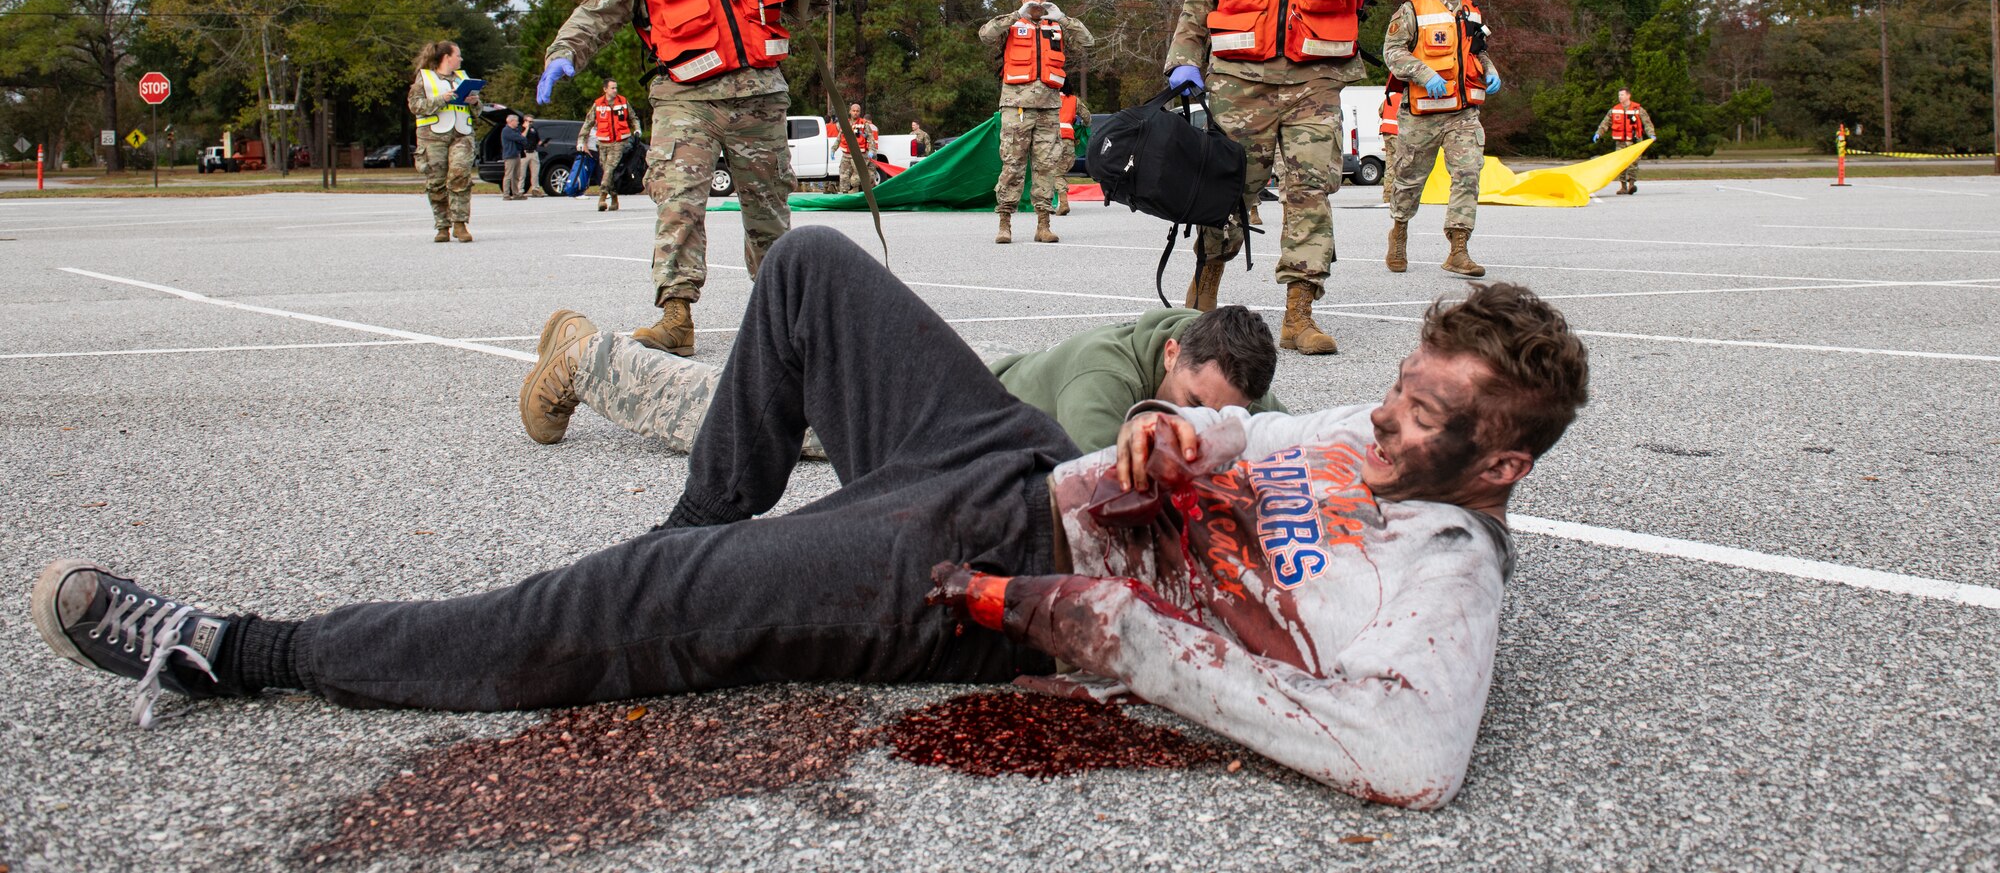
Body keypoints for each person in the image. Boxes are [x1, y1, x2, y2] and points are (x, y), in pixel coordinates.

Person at [32, 227, 1588, 811]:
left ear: (1497, 467)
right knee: (815, 267)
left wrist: (1109, 629)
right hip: (1023, 464)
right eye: (1395, 394)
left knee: (610, 618)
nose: (1380, 426)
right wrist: (1188, 427)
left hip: (1002, 574)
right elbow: (1272, 427)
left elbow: (1405, 761)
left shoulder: (1445, 570)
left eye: (1422, 423)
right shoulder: (1367, 435)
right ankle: (688, 551)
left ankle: (239, 650)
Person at [535, 0, 824, 354]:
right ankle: (676, 317)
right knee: (680, 205)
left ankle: (785, 321)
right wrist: (563, 55)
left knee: (770, 211)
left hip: (759, 98)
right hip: (686, 101)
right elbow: (595, 14)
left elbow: (795, 2)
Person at [1164, 0, 1398, 356]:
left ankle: (1299, 316)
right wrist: (1183, 60)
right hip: (1238, 83)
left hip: (1314, 83)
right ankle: (1202, 301)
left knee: (1309, 193)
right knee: (1225, 192)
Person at [519, 299, 1283, 453]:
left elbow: (1281, 432)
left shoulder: (1219, 363)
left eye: (1218, 416)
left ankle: (584, 339)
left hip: (956, 401)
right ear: (1175, 355)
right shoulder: (1105, 373)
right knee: (751, 419)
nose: (1198, 426)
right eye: (1189, 406)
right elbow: (1096, 479)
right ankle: (591, 364)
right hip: (924, 411)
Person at [1382, 0, 1501, 277]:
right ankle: (1399, 230)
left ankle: (1458, 249)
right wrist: (1424, 73)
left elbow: (1477, 51)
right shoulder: (1413, 8)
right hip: (1422, 112)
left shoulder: (1472, 11)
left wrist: (1490, 70)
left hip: (1463, 113)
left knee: (1468, 172)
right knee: (1408, 181)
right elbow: (1392, 51)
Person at [980, 0, 1095, 245]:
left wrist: (1063, 18)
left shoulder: (1055, 27)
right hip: (1016, 107)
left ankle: (1043, 224)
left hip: (1049, 107)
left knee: (1046, 167)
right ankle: (1005, 224)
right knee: (1013, 164)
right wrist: (1015, 14)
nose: (1038, 2)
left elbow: (1088, 41)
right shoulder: (1012, 24)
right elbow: (985, 35)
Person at [406, 40, 478, 242]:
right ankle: (442, 226)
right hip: (432, 137)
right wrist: (442, 99)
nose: (461, 59)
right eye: (458, 55)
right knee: (436, 182)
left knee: (460, 176)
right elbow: (415, 105)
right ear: (447, 57)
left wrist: (474, 102)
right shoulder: (425, 78)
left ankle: (460, 224)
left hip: (461, 134)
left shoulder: (463, 78)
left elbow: (478, 110)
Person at [1593, 89, 1657, 194]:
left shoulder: (1638, 109)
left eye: (1622, 95)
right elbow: (1605, 123)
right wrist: (1599, 133)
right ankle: (1623, 187)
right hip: (1621, 142)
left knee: (1633, 163)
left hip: (1635, 142)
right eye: (1619, 95)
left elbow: (1647, 123)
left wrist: (1651, 134)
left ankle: (1631, 184)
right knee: (1620, 164)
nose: (1620, 97)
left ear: (1628, 96)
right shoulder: (1614, 110)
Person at [590, 79, 639, 212]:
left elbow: (633, 117)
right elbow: (588, 123)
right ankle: (614, 199)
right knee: (607, 171)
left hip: (618, 142)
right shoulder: (598, 104)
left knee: (609, 170)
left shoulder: (622, 102)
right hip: (603, 143)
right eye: (612, 88)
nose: (615, 90)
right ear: (605, 89)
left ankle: (601, 198)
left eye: (616, 88)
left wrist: (637, 128)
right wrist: (581, 140)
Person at [1053, 84, 1089, 216]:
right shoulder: (1074, 100)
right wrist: (1081, 128)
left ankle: (1062, 203)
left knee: (1054, 173)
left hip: (1051, 138)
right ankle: (1059, 202)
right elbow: (1087, 117)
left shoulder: (1049, 97)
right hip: (1068, 139)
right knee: (1060, 172)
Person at [834, 102, 880, 194]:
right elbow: (839, 138)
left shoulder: (864, 124)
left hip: (859, 154)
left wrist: (871, 150)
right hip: (846, 154)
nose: (855, 113)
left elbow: (870, 138)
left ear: (860, 112)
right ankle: (844, 193)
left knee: (856, 177)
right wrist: (833, 149)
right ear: (850, 111)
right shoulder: (845, 124)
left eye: (857, 111)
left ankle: (856, 189)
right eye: (854, 111)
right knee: (843, 175)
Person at [1378, 85, 1402, 205]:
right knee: (1401, 166)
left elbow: (1380, 112)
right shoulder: (1405, 99)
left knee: (1390, 167)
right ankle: (1400, 197)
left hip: (1387, 134)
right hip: (1398, 135)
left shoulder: (1389, 98)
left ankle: (1387, 196)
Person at [500, 113, 529, 199]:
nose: (517, 123)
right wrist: (524, 133)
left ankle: (516, 194)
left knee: (516, 175)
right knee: (508, 175)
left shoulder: (515, 130)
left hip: (516, 154)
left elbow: (523, 140)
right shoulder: (507, 130)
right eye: (516, 121)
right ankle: (506, 194)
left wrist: (522, 136)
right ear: (511, 121)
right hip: (510, 155)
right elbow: (520, 138)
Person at [522, 115, 547, 196]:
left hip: (533, 152)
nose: (531, 123)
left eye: (532, 122)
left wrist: (543, 143)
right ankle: (519, 190)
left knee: (535, 173)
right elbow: (522, 137)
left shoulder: (534, 130)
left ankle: (535, 189)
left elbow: (538, 140)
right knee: (521, 173)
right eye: (529, 121)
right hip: (525, 152)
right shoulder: (521, 128)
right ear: (525, 121)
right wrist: (526, 128)